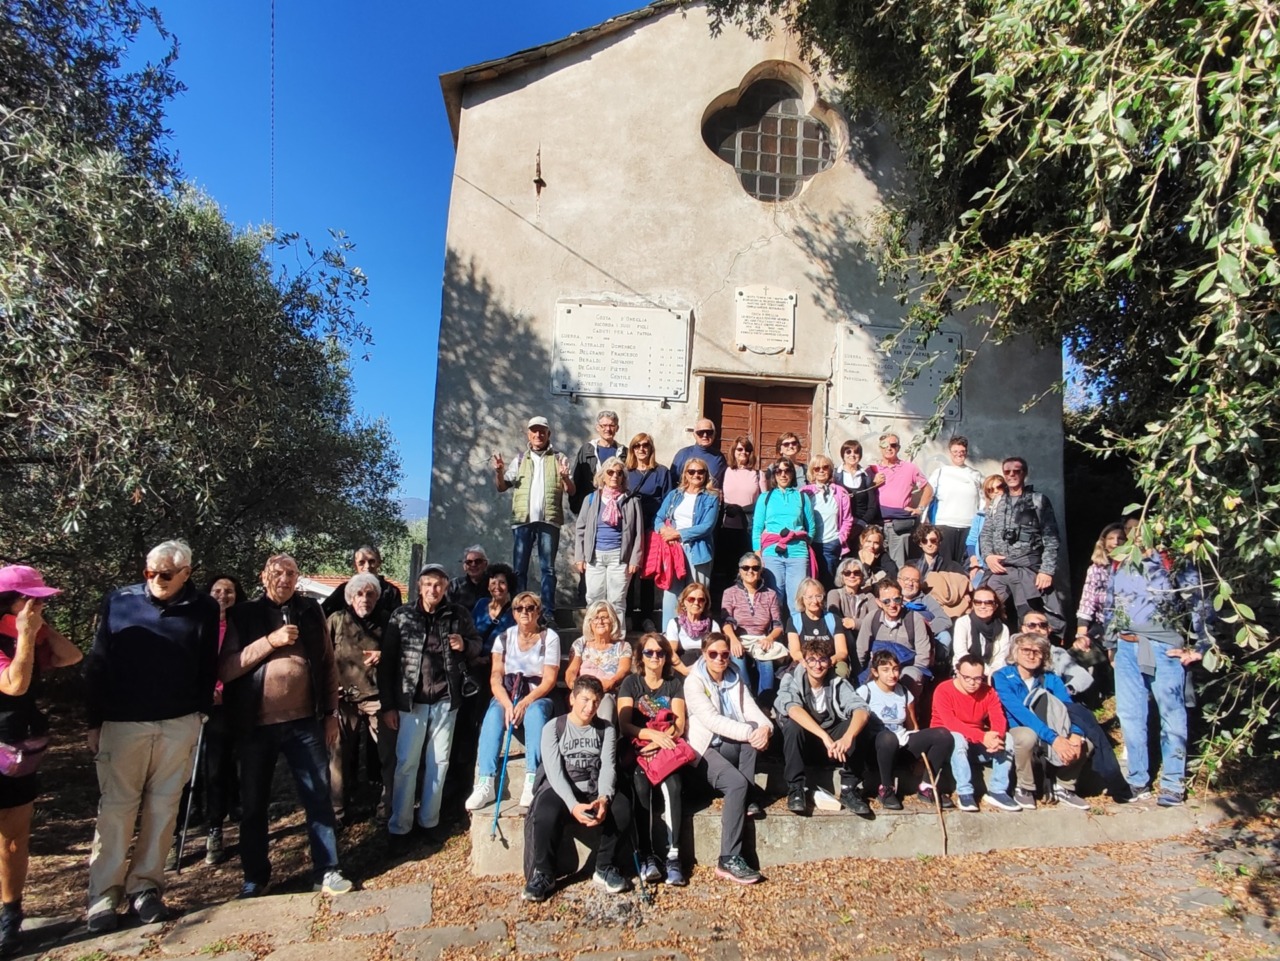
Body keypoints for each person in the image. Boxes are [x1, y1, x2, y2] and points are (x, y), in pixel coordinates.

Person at [85, 540, 220, 930]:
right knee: (116, 810)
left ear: (186, 573)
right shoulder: (120, 601)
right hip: (123, 723)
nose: (155, 580)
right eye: (150, 572)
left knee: (164, 810)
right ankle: (102, 897)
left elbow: (206, 662)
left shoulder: (204, 608)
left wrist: (199, 714)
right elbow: (98, 660)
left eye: (165, 574)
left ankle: (145, 889)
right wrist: (94, 722)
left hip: (178, 722)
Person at [221, 553, 351, 898]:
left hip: (305, 723)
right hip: (256, 726)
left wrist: (330, 714)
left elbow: (326, 664)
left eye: (291, 573)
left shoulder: (310, 610)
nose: (285, 579)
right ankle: (255, 877)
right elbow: (228, 669)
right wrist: (271, 642)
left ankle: (327, 870)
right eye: (278, 573)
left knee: (318, 798)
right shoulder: (244, 614)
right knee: (254, 804)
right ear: (264, 577)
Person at [0, 567, 82, 954]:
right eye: (31, 598)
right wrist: (27, 636)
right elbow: (14, 684)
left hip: (20, 750)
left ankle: (10, 915)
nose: (39, 604)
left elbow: (71, 656)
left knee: (14, 838)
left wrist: (37, 629)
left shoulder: (27, 634)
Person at [377, 563, 482, 850]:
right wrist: (388, 705)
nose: (433, 590)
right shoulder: (402, 616)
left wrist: (465, 644)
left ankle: (429, 822)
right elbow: (387, 663)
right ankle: (399, 827)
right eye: (428, 584)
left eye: (438, 585)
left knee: (439, 763)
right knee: (407, 763)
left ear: (446, 587)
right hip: (410, 701)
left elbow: (477, 643)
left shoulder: (457, 614)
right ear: (419, 587)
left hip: (447, 699)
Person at [1104, 537, 1211, 806]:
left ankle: (1173, 783)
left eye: (1141, 529)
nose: (1135, 534)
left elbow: (1199, 602)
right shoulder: (1120, 562)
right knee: (1130, 714)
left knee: (1171, 713)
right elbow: (1110, 603)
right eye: (1130, 530)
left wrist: (1202, 646)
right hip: (1126, 647)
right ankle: (1137, 780)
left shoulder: (1172, 562)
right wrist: (1110, 642)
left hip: (1164, 648)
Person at [521, 676, 632, 903]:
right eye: (584, 699)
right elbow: (554, 772)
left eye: (595, 701)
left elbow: (609, 766)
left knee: (622, 808)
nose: (589, 707)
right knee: (544, 812)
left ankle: (605, 866)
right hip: (562, 787)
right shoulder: (554, 727)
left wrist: (603, 798)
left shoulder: (607, 729)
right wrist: (573, 805)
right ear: (572, 698)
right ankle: (543, 872)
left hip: (593, 788)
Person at [684, 633, 770, 884]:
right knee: (737, 783)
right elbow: (712, 720)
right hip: (703, 750)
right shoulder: (694, 682)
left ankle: (745, 800)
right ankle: (728, 858)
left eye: (724, 654)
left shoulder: (733, 676)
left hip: (728, 745)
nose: (720, 659)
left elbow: (750, 709)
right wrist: (750, 732)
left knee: (751, 744)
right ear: (703, 654)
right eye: (713, 654)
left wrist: (764, 728)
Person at [465, 592, 560, 813]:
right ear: (514, 613)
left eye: (530, 607)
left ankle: (531, 779)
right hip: (509, 694)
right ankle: (486, 781)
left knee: (536, 713)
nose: (525, 612)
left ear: (538, 611)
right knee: (493, 713)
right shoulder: (504, 638)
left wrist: (525, 702)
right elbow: (496, 676)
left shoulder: (550, 638)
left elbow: (549, 679)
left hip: (537, 695)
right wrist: (508, 704)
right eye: (519, 608)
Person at [992, 632, 1094, 810]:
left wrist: (1076, 734)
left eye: (1037, 652)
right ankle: (1025, 787)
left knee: (1087, 744)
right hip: (1018, 727)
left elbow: (1069, 708)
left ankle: (1064, 785)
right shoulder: (1001, 676)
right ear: (1015, 652)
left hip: (1052, 727)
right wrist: (1053, 738)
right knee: (1027, 736)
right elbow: (1020, 712)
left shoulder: (1051, 678)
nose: (1031, 655)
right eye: (1026, 650)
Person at [618, 633, 688, 886]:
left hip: (666, 748)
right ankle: (647, 855)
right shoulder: (630, 683)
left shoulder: (674, 683)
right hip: (639, 748)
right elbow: (624, 723)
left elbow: (679, 723)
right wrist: (650, 737)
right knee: (640, 787)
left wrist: (662, 739)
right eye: (649, 652)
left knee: (675, 786)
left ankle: (673, 854)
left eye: (660, 652)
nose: (655, 657)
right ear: (641, 656)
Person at [326, 573, 395, 825]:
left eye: (370, 594)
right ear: (349, 597)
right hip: (343, 700)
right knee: (338, 755)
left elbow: (400, 654)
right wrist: (330, 689)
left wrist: (383, 654)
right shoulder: (336, 620)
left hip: (377, 698)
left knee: (389, 754)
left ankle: (386, 808)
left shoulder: (387, 620)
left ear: (377, 597)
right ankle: (337, 812)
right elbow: (322, 657)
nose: (364, 599)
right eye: (359, 594)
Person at [776, 640, 872, 817]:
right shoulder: (792, 679)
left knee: (859, 725)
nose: (817, 665)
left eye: (822, 660)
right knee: (792, 725)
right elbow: (792, 708)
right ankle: (796, 788)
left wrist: (848, 736)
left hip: (834, 748)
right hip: (804, 745)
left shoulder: (838, 683)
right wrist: (823, 736)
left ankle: (849, 788)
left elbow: (861, 709)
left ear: (830, 662)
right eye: (811, 660)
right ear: (804, 662)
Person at [494, 416, 575, 619]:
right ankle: (519, 611)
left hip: (549, 522)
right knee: (519, 570)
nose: (538, 435)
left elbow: (571, 491)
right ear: (528, 434)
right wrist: (499, 472)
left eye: (542, 431)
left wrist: (565, 477)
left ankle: (547, 612)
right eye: (534, 431)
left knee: (547, 569)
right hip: (523, 521)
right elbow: (502, 487)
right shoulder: (520, 459)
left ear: (548, 434)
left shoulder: (559, 458)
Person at [932, 654, 1033, 812]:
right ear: (957, 673)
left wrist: (996, 737)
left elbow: (998, 718)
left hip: (976, 743)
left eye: (978, 678)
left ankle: (997, 790)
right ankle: (965, 792)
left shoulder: (988, 692)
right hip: (948, 745)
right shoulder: (943, 690)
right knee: (957, 738)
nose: (973, 683)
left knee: (1008, 739)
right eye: (967, 678)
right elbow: (951, 723)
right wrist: (982, 736)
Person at [855, 651, 954, 810]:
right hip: (878, 749)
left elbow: (912, 726)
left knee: (943, 735)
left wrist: (921, 757)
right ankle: (886, 789)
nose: (892, 675)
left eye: (895, 669)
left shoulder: (904, 692)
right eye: (885, 670)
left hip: (901, 746)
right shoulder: (865, 692)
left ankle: (927, 787)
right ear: (875, 672)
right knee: (888, 738)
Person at [978, 456, 1063, 629]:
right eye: (1007, 472)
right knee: (987, 609)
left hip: (1028, 568)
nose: (1011, 475)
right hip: (1000, 569)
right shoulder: (997, 502)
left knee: (1029, 616)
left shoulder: (1038, 501)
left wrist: (1046, 571)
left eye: (1016, 471)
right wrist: (988, 557)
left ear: (1024, 473)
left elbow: (1051, 538)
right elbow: (985, 533)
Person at [196, 575, 244, 866]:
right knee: (189, 772)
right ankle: (178, 833)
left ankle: (215, 828)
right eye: (217, 590)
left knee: (218, 768)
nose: (223, 595)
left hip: (229, 706)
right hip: (195, 705)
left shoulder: (241, 626)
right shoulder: (198, 624)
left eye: (229, 591)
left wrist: (221, 690)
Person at [573, 456, 643, 629]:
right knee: (594, 598)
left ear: (623, 478)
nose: (614, 476)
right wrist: (579, 557)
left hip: (620, 557)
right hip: (595, 556)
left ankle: (617, 640)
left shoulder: (631, 501)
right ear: (602, 475)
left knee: (617, 600)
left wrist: (635, 559)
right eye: (610, 472)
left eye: (619, 473)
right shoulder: (590, 499)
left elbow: (639, 533)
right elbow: (580, 529)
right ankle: (592, 637)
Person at [654, 458, 720, 627]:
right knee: (671, 595)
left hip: (697, 551)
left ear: (706, 475)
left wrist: (677, 534)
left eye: (700, 472)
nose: (696, 475)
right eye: (691, 471)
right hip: (673, 551)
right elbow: (659, 518)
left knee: (697, 595)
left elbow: (706, 526)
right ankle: (669, 636)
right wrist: (663, 530)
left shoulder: (711, 497)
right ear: (685, 474)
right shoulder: (674, 495)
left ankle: (696, 633)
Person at [751, 456, 814, 621]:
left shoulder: (802, 497)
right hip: (772, 553)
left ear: (792, 474)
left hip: (798, 554)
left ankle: (797, 637)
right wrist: (758, 553)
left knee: (797, 599)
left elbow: (811, 527)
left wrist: (801, 542)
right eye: (779, 471)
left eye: (787, 471)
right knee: (774, 597)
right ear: (774, 474)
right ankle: (776, 637)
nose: (783, 475)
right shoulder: (765, 497)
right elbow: (757, 528)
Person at [625, 433, 673, 631]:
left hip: (652, 528)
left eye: (645, 445)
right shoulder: (626, 472)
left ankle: (646, 616)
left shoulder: (661, 472)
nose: (641, 449)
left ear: (651, 448)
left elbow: (669, 500)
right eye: (637, 446)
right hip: (629, 528)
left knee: (647, 573)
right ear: (632, 449)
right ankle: (627, 615)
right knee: (628, 571)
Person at [718, 555, 784, 693]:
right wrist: (733, 640)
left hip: (761, 638)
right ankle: (747, 701)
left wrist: (769, 638)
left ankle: (765, 704)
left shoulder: (770, 594)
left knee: (767, 667)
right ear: (740, 571)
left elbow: (778, 625)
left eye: (755, 568)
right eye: (746, 567)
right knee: (739, 665)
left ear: (760, 571)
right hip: (739, 638)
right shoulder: (729, 593)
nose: (750, 571)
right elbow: (726, 621)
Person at [854, 579, 932, 694]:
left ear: (902, 598)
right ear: (878, 602)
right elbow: (861, 651)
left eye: (897, 599)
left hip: (906, 667)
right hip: (878, 668)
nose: (892, 605)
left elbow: (923, 656)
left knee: (911, 676)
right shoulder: (872, 618)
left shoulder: (914, 619)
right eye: (886, 601)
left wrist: (895, 674)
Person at [870, 433, 933, 569]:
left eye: (893, 445)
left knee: (897, 566)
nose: (889, 448)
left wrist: (919, 509)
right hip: (876, 525)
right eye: (885, 445)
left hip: (898, 526)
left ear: (898, 448)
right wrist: (872, 483)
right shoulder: (872, 470)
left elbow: (928, 490)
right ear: (880, 447)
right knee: (873, 565)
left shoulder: (910, 468)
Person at [565, 602, 632, 723]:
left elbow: (624, 670)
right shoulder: (580, 644)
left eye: (605, 618)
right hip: (583, 692)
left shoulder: (623, 646)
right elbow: (572, 670)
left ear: (612, 621)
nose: (600, 622)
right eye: (595, 618)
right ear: (589, 623)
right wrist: (576, 688)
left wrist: (609, 683)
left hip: (608, 692)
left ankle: (604, 737)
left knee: (605, 701)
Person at [927, 436, 984, 566]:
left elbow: (983, 500)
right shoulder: (940, 472)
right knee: (943, 565)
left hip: (969, 527)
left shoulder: (975, 474)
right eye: (955, 452)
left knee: (965, 566)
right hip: (944, 525)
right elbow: (928, 494)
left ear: (966, 452)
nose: (959, 454)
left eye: (962, 451)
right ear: (950, 452)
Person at [717, 437, 767, 586]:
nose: (743, 452)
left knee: (749, 565)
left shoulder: (759, 474)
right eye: (740, 449)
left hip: (750, 527)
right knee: (729, 566)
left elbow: (764, 501)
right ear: (734, 451)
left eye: (747, 450)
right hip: (728, 525)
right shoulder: (725, 472)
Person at [1073, 523, 1126, 659]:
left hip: (1125, 629)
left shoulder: (1133, 568)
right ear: (1103, 542)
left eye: (1120, 538)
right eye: (1111, 538)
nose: (1115, 542)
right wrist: (1081, 635)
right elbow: (1087, 601)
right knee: (1076, 656)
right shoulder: (1096, 569)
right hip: (1102, 626)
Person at [801, 455, 853, 588]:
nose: (821, 471)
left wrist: (840, 539)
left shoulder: (840, 492)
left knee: (829, 583)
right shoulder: (805, 492)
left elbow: (847, 519)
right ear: (812, 471)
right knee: (810, 582)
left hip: (831, 544)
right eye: (817, 468)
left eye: (825, 467)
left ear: (830, 470)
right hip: (810, 544)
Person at [321, 546, 403, 626]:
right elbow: (323, 614)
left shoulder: (392, 591)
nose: (367, 566)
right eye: (361, 563)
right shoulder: (344, 589)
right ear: (355, 565)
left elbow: (397, 623)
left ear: (379, 563)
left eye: (371, 561)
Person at [786, 578, 849, 668]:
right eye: (810, 597)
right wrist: (809, 663)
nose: (815, 601)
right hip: (806, 663)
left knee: (842, 669)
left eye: (818, 596)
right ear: (802, 599)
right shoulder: (794, 621)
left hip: (830, 662)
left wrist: (826, 662)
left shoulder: (834, 619)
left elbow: (842, 652)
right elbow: (795, 652)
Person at [569, 409, 623, 515]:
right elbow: (577, 480)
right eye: (604, 425)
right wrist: (578, 507)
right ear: (598, 428)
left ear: (617, 428)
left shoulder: (624, 453)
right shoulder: (586, 450)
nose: (608, 429)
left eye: (612, 425)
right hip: (590, 506)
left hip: (615, 508)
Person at [897, 566, 954, 661]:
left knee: (945, 636)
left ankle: (938, 667)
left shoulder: (926, 599)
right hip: (901, 636)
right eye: (906, 579)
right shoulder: (893, 599)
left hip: (927, 636)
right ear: (898, 580)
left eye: (915, 581)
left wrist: (924, 630)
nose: (910, 583)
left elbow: (945, 620)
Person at [951, 586, 1011, 675]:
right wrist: (982, 671)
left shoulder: (1003, 628)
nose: (983, 606)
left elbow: (1001, 657)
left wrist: (992, 673)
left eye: (988, 603)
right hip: (965, 670)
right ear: (973, 604)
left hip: (992, 672)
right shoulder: (963, 623)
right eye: (978, 602)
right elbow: (961, 653)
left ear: (995, 606)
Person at [665, 583, 723, 676]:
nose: (696, 603)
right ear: (684, 602)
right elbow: (671, 652)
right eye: (691, 599)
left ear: (705, 603)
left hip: (706, 667)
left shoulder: (713, 625)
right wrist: (684, 670)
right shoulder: (674, 624)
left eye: (701, 600)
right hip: (683, 667)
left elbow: (718, 650)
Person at [966, 474, 1008, 586]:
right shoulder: (980, 516)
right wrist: (975, 564)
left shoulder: (1012, 513)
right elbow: (971, 541)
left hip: (1006, 564)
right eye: (990, 489)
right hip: (983, 566)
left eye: (999, 487)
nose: (995, 491)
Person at [834, 439, 880, 530]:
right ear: (843, 454)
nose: (852, 455)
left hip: (861, 525)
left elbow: (872, 506)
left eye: (856, 452)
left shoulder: (866, 477)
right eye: (848, 452)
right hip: (840, 526)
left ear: (860, 455)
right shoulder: (835, 476)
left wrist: (862, 523)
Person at [670, 418, 727, 491]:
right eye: (700, 432)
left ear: (714, 434)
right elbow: (672, 481)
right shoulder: (683, 454)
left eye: (709, 432)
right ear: (694, 434)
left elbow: (723, 482)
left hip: (709, 499)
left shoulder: (719, 457)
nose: (705, 435)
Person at [471, 563, 517, 647]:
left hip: (500, 659)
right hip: (474, 657)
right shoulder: (481, 604)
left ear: (509, 586)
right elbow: (470, 633)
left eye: (502, 582)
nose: (497, 587)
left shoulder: (515, 612)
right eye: (493, 583)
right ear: (488, 587)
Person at [826, 559, 873, 637]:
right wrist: (863, 623)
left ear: (862, 575)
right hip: (842, 637)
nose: (852, 576)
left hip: (865, 637)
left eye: (856, 572)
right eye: (847, 573)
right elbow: (835, 619)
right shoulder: (834, 594)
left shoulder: (869, 596)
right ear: (842, 576)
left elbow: (875, 621)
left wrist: (854, 623)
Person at [447, 546, 491, 611]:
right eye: (469, 562)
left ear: (486, 564)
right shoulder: (455, 585)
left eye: (478, 561)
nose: (473, 565)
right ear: (464, 566)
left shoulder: (494, 585)